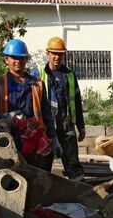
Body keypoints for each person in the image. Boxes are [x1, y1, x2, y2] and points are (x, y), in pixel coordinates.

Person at [0, 38, 60, 168]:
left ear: (26, 59)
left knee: (38, 181)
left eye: (22, 58)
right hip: (9, 142)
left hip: (35, 141)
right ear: (6, 59)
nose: (18, 61)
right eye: (14, 57)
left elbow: (47, 115)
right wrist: (6, 117)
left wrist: (54, 139)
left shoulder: (37, 84)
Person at [31, 37, 86, 181]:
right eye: (54, 53)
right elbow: (31, 102)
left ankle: (79, 195)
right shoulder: (38, 74)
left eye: (60, 54)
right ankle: (42, 197)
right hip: (45, 128)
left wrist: (81, 126)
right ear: (47, 53)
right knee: (42, 166)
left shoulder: (69, 74)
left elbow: (77, 101)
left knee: (73, 165)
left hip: (66, 126)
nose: (57, 57)